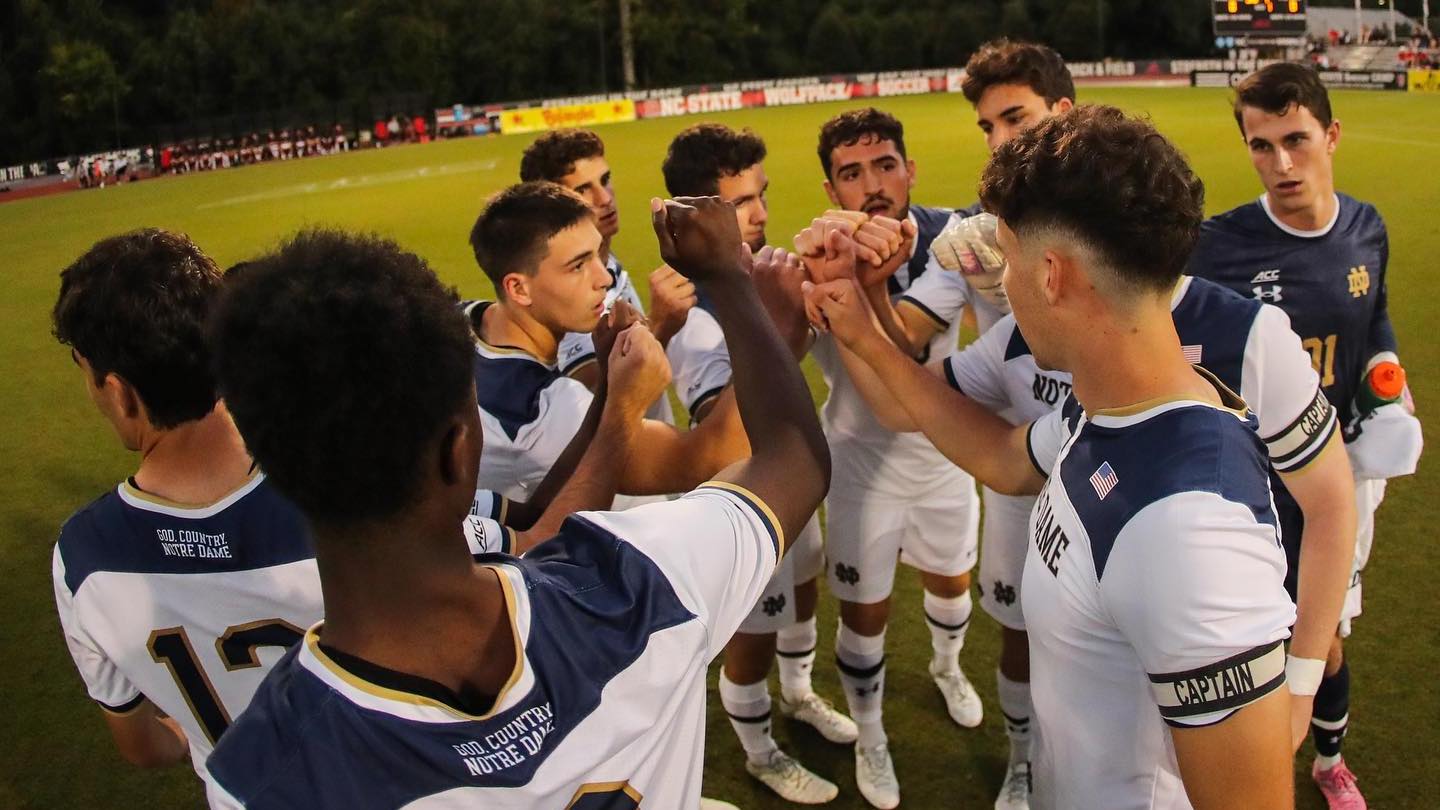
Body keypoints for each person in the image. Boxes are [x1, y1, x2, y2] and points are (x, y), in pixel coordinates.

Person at [204, 202, 830, 807]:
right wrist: (740, 290)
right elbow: (794, 463)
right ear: (458, 448)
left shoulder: (256, 776)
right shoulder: (641, 584)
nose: (601, 277)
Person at [807, 105, 1298, 810]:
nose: (998, 282)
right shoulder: (1107, 406)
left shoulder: (1191, 530)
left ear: (1052, 276)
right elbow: (1005, 458)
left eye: (1006, 258)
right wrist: (862, 329)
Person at [1188, 62, 1423, 810]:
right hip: (1253, 476)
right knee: (1242, 630)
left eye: (1295, 140)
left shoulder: (1367, 228)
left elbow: (1375, 320)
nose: (1281, 163)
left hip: (1343, 475)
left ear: (1331, 134)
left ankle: (1327, 760)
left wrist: (1389, 381)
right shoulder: (1217, 245)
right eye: (1262, 146)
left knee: (1324, 634)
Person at [49, 229, 324, 795]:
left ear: (122, 393)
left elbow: (143, 745)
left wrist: (204, 735)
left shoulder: (83, 557)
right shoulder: (336, 487)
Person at [789, 108, 991, 809]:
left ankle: (946, 666)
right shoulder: (814, 255)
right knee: (863, 611)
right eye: (852, 173)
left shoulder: (952, 244)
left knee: (952, 584)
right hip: (858, 464)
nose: (872, 185)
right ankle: (871, 734)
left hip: (943, 453)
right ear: (831, 186)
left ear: (910, 170)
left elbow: (904, 347)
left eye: (884, 165)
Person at [660, 122, 854, 805]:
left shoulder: (755, 272)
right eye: (741, 204)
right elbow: (733, 428)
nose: (762, 214)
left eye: (760, 195)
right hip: (745, 499)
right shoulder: (695, 316)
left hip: (793, 482)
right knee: (753, 632)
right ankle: (758, 750)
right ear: (700, 217)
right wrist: (784, 326)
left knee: (807, 584)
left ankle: (798, 694)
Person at [465, 181, 753, 505]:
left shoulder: (463, 319)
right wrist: (741, 289)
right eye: (578, 265)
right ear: (519, 289)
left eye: (598, 255)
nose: (603, 278)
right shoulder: (542, 416)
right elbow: (717, 454)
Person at [518, 128, 674, 426]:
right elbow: (591, 397)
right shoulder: (563, 290)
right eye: (582, 190)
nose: (604, 198)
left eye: (605, 180)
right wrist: (660, 327)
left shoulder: (605, 261)